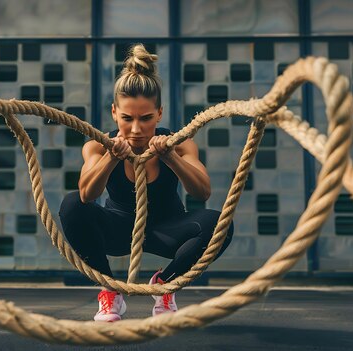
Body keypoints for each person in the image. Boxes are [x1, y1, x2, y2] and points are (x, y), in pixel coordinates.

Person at [59, 44, 234, 322]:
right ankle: (109, 290)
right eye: (127, 118)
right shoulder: (97, 146)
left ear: (160, 113)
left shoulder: (179, 142)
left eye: (146, 118)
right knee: (71, 205)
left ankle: (164, 285)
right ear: (115, 112)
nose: (137, 129)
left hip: (167, 229)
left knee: (219, 224)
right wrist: (111, 159)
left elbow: (202, 192)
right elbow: (86, 194)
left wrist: (171, 160)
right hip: (118, 229)